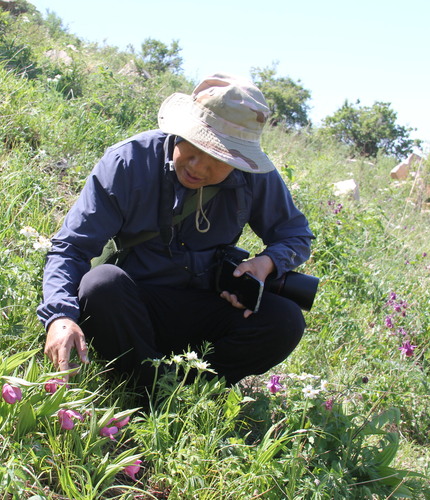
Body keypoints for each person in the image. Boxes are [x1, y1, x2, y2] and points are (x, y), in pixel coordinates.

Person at [37, 73, 313, 388]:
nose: (197, 166)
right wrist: (59, 317)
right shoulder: (129, 162)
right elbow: (71, 248)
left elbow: (296, 235)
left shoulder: (253, 177)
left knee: (285, 321)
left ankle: (191, 388)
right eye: (193, 145)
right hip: (131, 306)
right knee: (101, 285)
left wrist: (265, 264)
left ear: (239, 161)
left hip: (202, 305)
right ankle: (149, 389)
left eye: (218, 157)